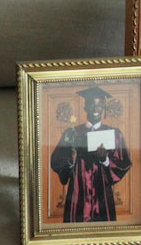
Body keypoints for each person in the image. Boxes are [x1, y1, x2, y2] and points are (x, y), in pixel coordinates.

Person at [48, 85, 133, 222]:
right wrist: (71, 159)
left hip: (102, 192)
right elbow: (56, 160)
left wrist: (105, 160)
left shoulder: (114, 134)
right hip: (78, 191)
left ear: (103, 108)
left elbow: (124, 162)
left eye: (99, 105)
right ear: (85, 107)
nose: (95, 108)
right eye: (91, 104)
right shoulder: (71, 133)